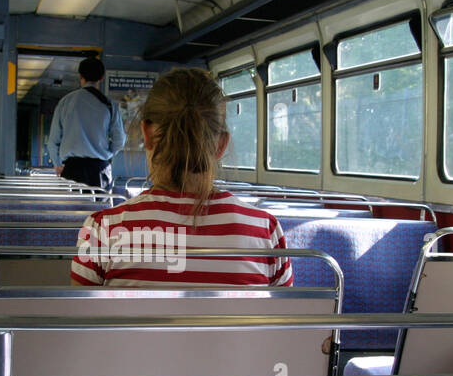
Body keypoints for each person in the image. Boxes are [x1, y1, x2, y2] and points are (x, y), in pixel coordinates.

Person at [70, 68, 292, 287]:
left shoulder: (102, 229)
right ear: (221, 145)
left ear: (147, 134)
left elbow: (82, 319)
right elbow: (286, 320)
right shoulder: (266, 232)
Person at [47, 57, 126, 190]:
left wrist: (58, 164)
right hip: (100, 169)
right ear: (101, 77)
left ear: (80, 76)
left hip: (72, 169)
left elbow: (53, 141)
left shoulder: (65, 102)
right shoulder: (109, 105)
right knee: (100, 209)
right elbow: (119, 140)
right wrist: (106, 155)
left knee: (70, 209)